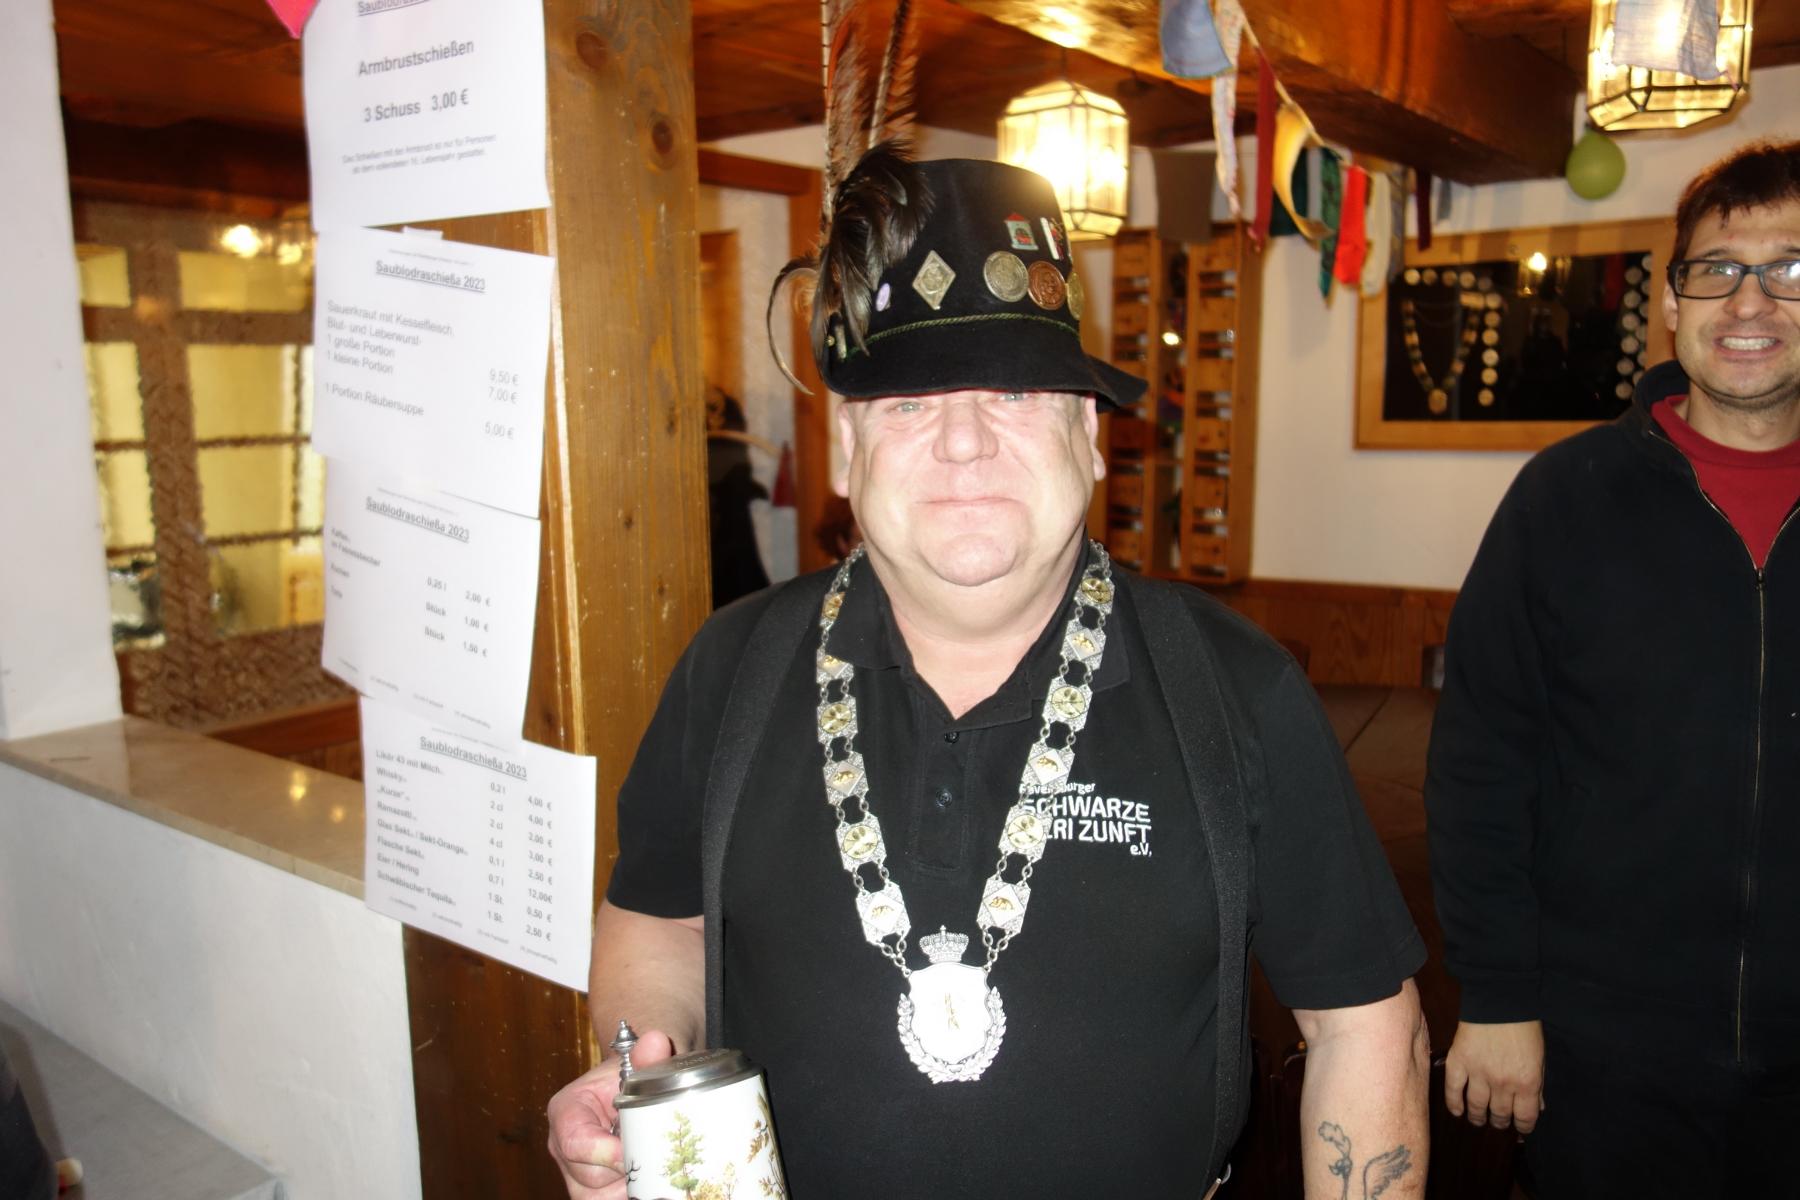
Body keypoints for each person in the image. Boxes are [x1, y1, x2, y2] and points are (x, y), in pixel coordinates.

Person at [548, 149, 1429, 1200]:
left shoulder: (1241, 686)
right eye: (908, 403)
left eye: (1014, 389)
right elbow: (660, 919)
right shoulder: (727, 668)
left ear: (1088, 434)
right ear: (847, 448)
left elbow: (1366, 1027)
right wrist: (642, 1074)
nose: (963, 441)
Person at [1428, 139, 1800, 1198]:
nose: (1751, 301)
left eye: (1792, 268)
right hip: (1603, 1056)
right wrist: (1498, 997)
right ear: (1673, 301)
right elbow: (1481, 765)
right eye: (1718, 268)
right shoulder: (1563, 499)